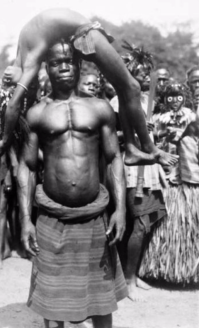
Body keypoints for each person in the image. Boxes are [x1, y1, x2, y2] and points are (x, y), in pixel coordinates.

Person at [17, 40, 128, 328]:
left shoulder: (100, 108)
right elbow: (27, 167)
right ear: (46, 68)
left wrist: (121, 210)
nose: (63, 66)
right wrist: (26, 220)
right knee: (53, 304)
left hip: (94, 216)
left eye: (69, 61)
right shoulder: (37, 113)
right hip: (52, 218)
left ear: (79, 65)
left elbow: (114, 158)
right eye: (56, 62)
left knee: (101, 299)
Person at [0, 8, 177, 167]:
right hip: (84, 34)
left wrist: (5, 138)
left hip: (85, 33)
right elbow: (15, 103)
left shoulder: (26, 55)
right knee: (132, 87)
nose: (29, 85)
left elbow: (14, 103)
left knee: (126, 88)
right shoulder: (27, 53)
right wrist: (6, 140)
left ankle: (132, 148)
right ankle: (148, 147)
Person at [120, 44, 167, 301]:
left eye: (144, 70)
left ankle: (133, 274)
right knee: (134, 224)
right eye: (134, 69)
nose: (140, 73)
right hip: (128, 170)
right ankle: (127, 279)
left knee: (145, 223)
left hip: (149, 169)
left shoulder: (149, 101)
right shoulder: (118, 100)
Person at [139, 85, 199, 284]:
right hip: (165, 170)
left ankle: (185, 269)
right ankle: (158, 267)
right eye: (171, 97)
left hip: (186, 171)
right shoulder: (157, 118)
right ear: (166, 99)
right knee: (164, 220)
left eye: (178, 96)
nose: (175, 100)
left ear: (184, 97)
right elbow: (151, 141)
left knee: (185, 221)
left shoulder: (191, 115)